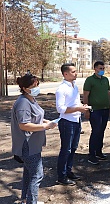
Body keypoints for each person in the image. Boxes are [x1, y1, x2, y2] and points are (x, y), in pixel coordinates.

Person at [11, 74, 57, 204]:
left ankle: (26, 199)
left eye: (37, 85)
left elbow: (35, 117)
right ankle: (32, 202)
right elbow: (23, 125)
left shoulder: (31, 99)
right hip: (27, 145)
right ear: (25, 88)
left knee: (29, 173)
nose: (37, 87)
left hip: (33, 144)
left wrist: (46, 122)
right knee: (37, 175)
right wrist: (44, 126)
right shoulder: (23, 103)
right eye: (34, 86)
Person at [56, 63, 89, 186]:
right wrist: (78, 109)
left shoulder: (74, 86)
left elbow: (74, 102)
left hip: (76, 120)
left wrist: (81, 106)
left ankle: (68, 171)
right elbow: (60, 109)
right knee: (66, 149)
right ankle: (62, 176)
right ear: (65, 74)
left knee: (73, 148)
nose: (76, 73)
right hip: (66, 122)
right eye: (73, 71)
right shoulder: (61, 89)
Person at [83, 61, 110, 165]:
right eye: (100, 68)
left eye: (103, 68)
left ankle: (99, 152)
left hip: (105, 109)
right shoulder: (90, 80)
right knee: (95, 131)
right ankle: (92, 155)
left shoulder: (105, 80)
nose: (102, 70)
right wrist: (86, 110)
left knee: (102, 131)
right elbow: (86, 95)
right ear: (95, 69)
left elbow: (108, 94)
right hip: (95, 110)